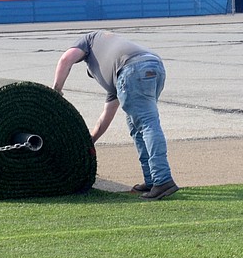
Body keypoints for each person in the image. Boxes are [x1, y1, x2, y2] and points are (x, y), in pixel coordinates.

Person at [53, 31, 179, 200]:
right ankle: (151, 179)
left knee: (148, 124)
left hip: (132, 70)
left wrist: (56, 92)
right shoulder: (113, 74)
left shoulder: (88, 40)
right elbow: (106, 116)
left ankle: (162, 180)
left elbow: (65, 59)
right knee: (137, 127)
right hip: (154, 65)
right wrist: (90, 141)